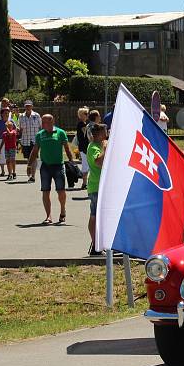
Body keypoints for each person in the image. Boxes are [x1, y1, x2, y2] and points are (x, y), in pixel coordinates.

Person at [26, 114, 74, 225]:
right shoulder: (40, 135)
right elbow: (35, 151)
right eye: (42, 122)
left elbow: (67, 148)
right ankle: (48, 216)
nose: (43, 125)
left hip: (58, 166)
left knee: (60, 191)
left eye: (46, 122)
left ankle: (62, 210)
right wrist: (29, 165)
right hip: (45, 167)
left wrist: (72, 162)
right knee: (45, 191)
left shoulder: (60, 133)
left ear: (52, 122)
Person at [86, 124, 107, 256]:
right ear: (98, 134)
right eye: (104, 132)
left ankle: (100, 244)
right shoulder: (94, 147)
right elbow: (99, 162)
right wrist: (105, 148)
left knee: (100, 216)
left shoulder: (99, 145)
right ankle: (95, 245)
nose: (106, 134)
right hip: (96, 186)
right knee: (95, 216)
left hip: (102, 186)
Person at [18, 101, 42, 183]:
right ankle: (30, 170)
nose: (28, 107)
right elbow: (20, 129)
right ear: (24, 107)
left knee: (34, 158)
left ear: (32, 106)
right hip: (25, 140)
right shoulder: (21, 116)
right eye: (26, 106)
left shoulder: (36, 115)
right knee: (28, 158)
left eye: (29, 106)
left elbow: (40, 127)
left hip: (35, 140)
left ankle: (33, 176)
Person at [0, 108, 12, 177]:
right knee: (1, 154)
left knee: (9, 155)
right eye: (5, 113)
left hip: (9, 140)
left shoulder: (11, 121)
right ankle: (2, 171)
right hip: (0, 139)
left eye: (7, 113)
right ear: (2, 114)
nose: (6, 115)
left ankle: (10, 171)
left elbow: (15, 129)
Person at [76, 107, 90, 190]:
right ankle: (84, 183)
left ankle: (85, 183)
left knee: (87, 165)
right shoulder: (81, 124)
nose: (87, 115)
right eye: (86, 114)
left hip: (84, 146)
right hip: (84, 147)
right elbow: (87, 132)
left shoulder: (84, 123)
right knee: (85, 165)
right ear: (81, 115)